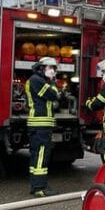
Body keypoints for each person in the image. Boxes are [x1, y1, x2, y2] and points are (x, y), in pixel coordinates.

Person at [25, 56, 60, 197]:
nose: (52, 71)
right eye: (49, 68)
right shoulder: (36, 80)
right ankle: (40, 187)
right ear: (41, 68)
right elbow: (53, 95)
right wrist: (52, 82)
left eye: (54, 69)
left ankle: (37, 185)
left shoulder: (39, 80)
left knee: (38, 156)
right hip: (40, 124)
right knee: (40, 156)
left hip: (41, 124)